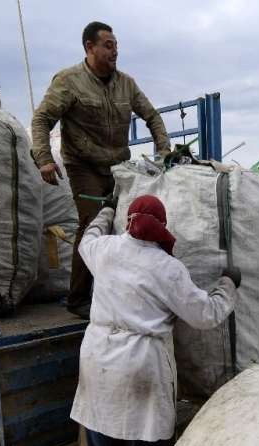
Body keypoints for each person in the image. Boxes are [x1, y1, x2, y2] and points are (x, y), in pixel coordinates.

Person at [71, 195, 239, 446]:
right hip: (139, 363)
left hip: (98, 359)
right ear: (162, 226)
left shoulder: (104, 249)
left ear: (128, 219)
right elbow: (205, 315)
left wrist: (105, 210)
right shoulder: (166, 268)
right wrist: (227, 286)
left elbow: (87, 237)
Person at [31, 21, 171, 319]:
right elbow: (42, 119)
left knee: (126, 224)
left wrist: (165, 152)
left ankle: (116, 291)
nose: (115, 51)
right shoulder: (69, 81)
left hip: (118, 167)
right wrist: (44, 157)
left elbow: (152, 116)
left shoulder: (126, 84)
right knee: (94, 222)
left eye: (116, 45)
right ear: (89, 47)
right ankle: (78, 298)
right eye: (108, 45)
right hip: (82, 165)